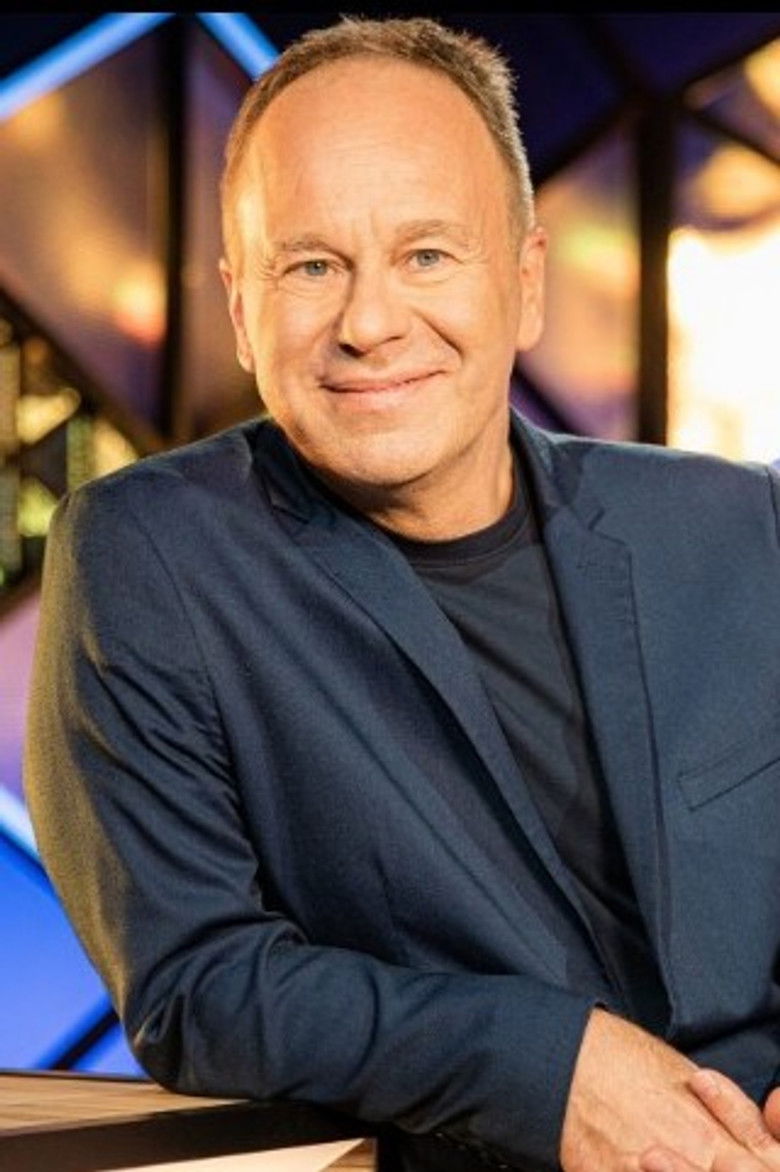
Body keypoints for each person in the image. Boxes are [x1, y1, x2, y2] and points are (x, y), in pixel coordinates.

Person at [23, 15, 780, 1172]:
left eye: (427, 254)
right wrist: (546, 1065)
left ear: (525, 281)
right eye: (310, 265)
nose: (370, 323)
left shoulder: (740, 523)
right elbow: (198, 984)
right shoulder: (146, 557)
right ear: (241, 306)